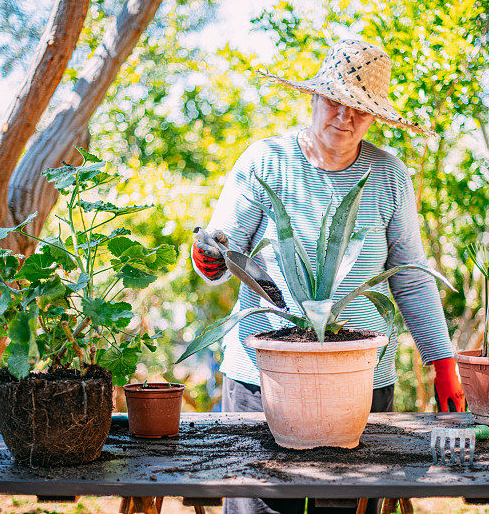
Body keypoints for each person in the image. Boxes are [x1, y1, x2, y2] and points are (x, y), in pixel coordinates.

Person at [191, 39, 465, 514]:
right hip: (264, 378)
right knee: (259, 506)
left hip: (358, 380)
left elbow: (411, 277)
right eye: (336, 100)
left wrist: (442, 362)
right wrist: (207, 258)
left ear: (375, 116)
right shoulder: (266, 161)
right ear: (314, 97)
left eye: (360, 108)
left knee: (344, 507)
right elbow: (222, 247)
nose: (345, 116)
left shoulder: (388, 176)